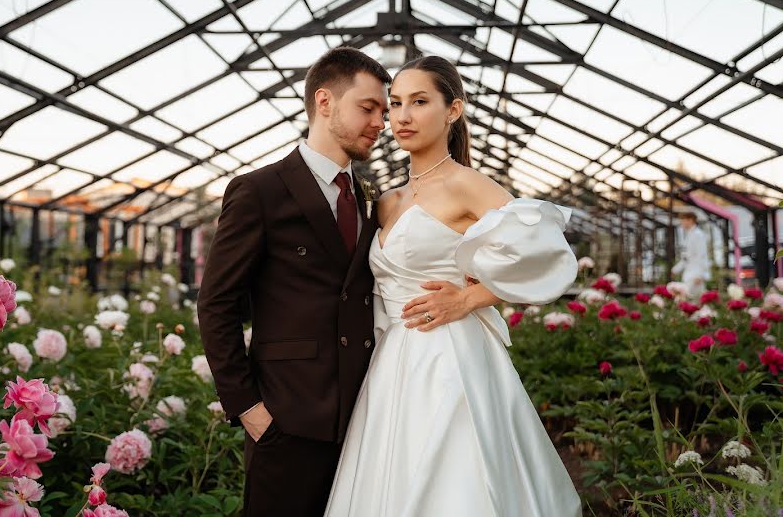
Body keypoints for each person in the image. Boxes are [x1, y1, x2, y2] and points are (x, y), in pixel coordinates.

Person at [197, 48, 466, 516]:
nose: (383, 122)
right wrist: (249, 410)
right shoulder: (259, 191)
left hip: (367, 420)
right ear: (324, 102)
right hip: (287, 420)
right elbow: (216, 305)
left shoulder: (366, 199)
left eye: (386, 110)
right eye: (369, 108)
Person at [324, 56, 582, 516]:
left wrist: (471, 297)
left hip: (451, 360)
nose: (401, 116)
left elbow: (548, 252)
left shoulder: (468, 184)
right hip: (389, 365)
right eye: (395, 103)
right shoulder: (384, 201)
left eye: (420, 102)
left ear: (453, 110)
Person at [671, 210, 711, 298]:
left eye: (683, 220)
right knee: (688, 302)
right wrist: (675, 269)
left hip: (696, 276)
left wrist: (701, 275)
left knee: (694, 302)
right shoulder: (690, 235)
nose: (681, 223)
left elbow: (702, 255)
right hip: (689, 275)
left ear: (691, 220)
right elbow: (686, 257)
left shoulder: (698, 235)